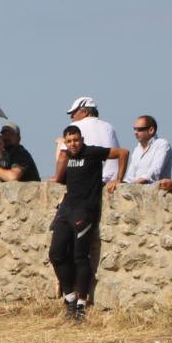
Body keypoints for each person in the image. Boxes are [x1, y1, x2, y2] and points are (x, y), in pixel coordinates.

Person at [49, 124, 129, 321]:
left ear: (82, 139)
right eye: (69, 141)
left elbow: (123, 152)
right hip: (66, 208)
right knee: (56, 253)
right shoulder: (67, 156)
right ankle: (69, 297)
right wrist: (61, 157)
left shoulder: (93, 152)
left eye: (76, 140)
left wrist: (119, 179)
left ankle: (81, 305)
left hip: (85, 210)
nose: (73, 144)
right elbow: (59, 180)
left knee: (80, 256)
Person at [65, 96, 121, 181]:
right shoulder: (108, 126)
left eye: (74, 113)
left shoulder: (75, 127)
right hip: (111, 179)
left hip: (91, 180)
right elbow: (121, 153)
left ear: (85, 112)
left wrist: (58, 178)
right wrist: (119, 179)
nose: (72, 117)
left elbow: (63, 156)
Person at [124, 115, 172, 185]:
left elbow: (155, 171)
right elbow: (130, 176)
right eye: (134, 129)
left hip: (155, 193)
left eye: (139, 129)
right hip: (136, 191)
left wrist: (134, 183)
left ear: (151, 130)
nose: (135, 132)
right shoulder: (137, 150)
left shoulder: (162, 145)